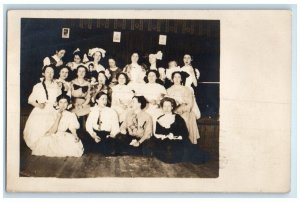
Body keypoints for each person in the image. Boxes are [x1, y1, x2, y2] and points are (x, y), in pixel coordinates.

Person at [152, 97, 209, 164]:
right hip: (164, 142)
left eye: (168, 106)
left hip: (178, 141)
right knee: (161, 151)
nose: (166, 108)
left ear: (172, 107)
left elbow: (184, 133)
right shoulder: (159, 119)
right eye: (164, 106)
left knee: (194, 156)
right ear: (162, 107)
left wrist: (174, 137)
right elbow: (157, 133)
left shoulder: (178, 118)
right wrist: (166, 136)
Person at [23, 65, 62, 150]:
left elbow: (60, 99)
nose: (50, 74)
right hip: (41, 110)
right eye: (47, 72)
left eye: (52, 72)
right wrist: (39, 105)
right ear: (43, 73)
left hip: (53, 110)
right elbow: (30, 100)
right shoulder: (38, 86)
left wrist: (57, 104)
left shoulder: (57, 85)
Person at [167, 71, 200, 144]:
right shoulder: (168, 90)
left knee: (186, 118)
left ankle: (187, 141)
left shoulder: (186, 89)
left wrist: (183, 109)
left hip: (184, 111)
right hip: (172, 111)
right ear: (172, 79)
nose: (177, 79)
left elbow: (189, 104)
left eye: (179, 77)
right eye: (175, 77)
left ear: (181, 79)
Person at [70, 65, 91, 130]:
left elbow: (88, 97)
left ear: (85, 73)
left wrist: (83, 105)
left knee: (86, 118)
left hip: (84, 104)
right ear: (77, 72)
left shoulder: (88, 83)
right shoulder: (72, 82)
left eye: (83, 71)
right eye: (80, 71)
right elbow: (69, 95)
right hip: (74, 104)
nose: (81, 73)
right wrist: (73, 104)